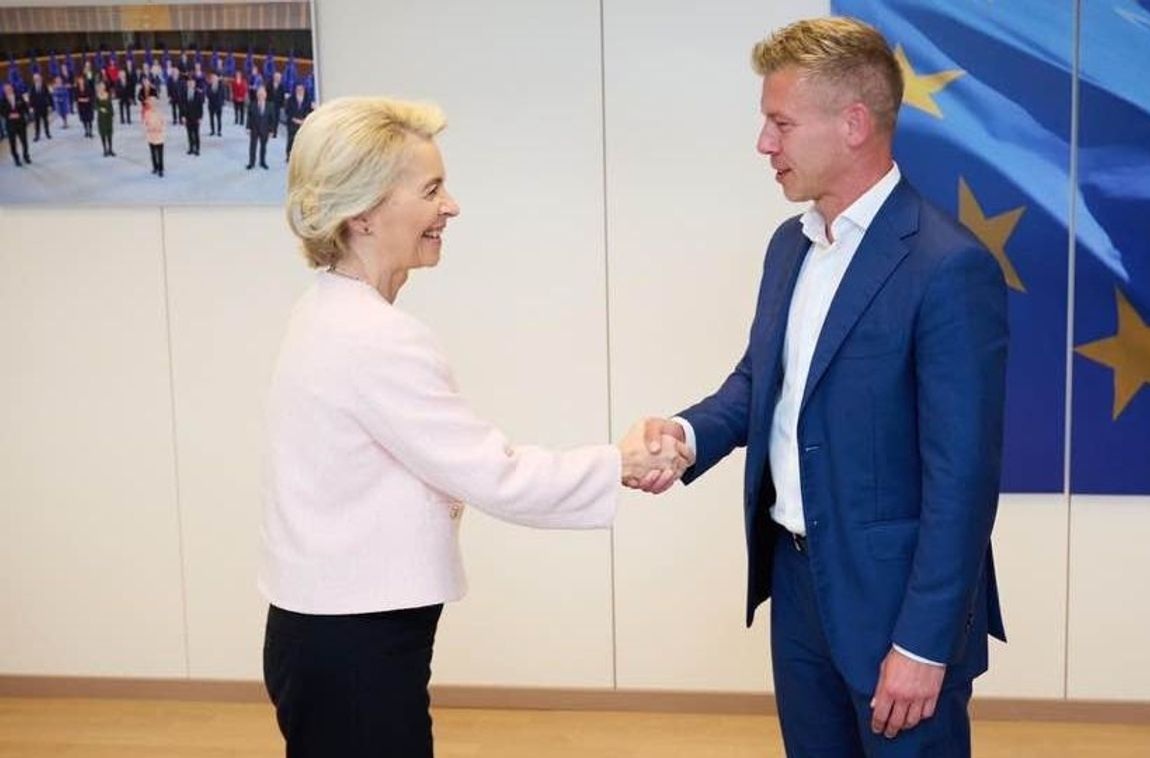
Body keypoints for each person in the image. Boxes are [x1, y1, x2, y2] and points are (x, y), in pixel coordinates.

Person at [262, 95, 687, 757]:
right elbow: (493, 473)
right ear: (363, 212)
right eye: (431, 190)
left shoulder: (326, 311)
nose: (451, 207)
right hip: (354, 644)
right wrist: (622, 462)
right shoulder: (373, 337)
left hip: (329, 631)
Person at [635, 18, 1008, 757]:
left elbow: (962, 479)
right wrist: (686, 434)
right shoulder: (790, 247)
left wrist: (924, 643)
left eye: (780, 123)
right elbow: (761, 383)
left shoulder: (947, 266)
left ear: (854, 124)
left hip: (898, 606)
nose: (763, 144)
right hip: (798, 585)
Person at [245, 84, 275, 169]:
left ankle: (262, 162)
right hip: (254, 129)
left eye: (262, 94)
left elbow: (272, 119)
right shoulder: (252, 104)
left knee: (263, 147)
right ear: (257, 95)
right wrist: (248, 128)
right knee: (252, 147)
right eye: (259, 94)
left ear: (265, 95)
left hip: (265, 129)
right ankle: (251, 163)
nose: (261, 95)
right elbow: (249, 117)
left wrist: (271, 131)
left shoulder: (270, 105)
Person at [0, 82, 30, 166]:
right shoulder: (2, 100)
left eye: (9, 88)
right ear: (4, 90)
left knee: (24, 141)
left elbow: (25, 107)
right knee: (12, 143)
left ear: (12, 88)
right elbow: (1, 111)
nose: (8, 90)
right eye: (6, 89)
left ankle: (26, 155)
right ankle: (16, 158)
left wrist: (21, 114)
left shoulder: (19, 97)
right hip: (10, 125)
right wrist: (9, 115)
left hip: (21, 123)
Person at [283, 82, 311, 162]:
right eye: (298, 90)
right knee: (291, 140)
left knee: (302, 141)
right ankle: (289, 156)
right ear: (295, 90)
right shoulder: (290, 100)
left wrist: (304, 120)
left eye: (301, 89)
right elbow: (287, 111)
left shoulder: (307, 100)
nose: (300, 91)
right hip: (292, 123)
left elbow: (309, 111)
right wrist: (295, 119)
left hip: (303, 124)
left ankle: (301, 157)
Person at [143, 92, 164, 176]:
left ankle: (161, 169)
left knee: (160, 153)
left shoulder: (159, 112)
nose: (152, 104)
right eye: (150, 103)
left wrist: (159, 128)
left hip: (159, 135)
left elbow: (163, 122)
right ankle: (155, 167)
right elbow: (145, 123)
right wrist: (149, 128)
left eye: (153, 103)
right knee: (153, 153)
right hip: (151, 135)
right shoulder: (147, 113)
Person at [181, 77, 204, 155]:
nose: (190, 85)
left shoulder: (198, 94)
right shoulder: (184, 93)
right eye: (189, 83)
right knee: (189, 133)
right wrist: (182, 116)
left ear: (194, 84)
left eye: (192, 83)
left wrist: (200, 117)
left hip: (196, 117)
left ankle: (197, 149)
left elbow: (200, 107)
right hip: (187, 117)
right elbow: (182, 106)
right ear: (187, 84)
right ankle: (191, 148)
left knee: (196, 134)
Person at [28, 73, 52, 142]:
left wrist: (49, 105)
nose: (37, 80)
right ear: (33, 80)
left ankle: (47, 133)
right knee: (37, 122)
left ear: (40, 78)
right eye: (35, 79)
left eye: (38, 78)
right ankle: (37, 135)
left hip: (44, 107)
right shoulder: (32, 87)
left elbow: (48, 95)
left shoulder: (44, 85)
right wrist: (31, 107)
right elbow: (31, 98)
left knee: (45, 121)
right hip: (36, 108)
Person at [95, 81, 115, 157]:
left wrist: (112, 114)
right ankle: (105, 150)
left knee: (109, 133)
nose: (102, 87)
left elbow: (110, 104)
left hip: (108, 116)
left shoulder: (108, 94)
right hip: (101, 117)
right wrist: (100, 109)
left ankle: (110, 149)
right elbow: (95, 105)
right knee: (103, 133)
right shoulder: (97, 96)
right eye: (100, 86)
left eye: (103, 86)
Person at [204, 71, 225, 136]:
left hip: (218, 104)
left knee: (219, 119)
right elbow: (207, 94)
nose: (214, 79)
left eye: (215, 78)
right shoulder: (209, 85)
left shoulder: (221, 85)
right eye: (212, 78)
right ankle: (212, 130)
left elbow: (223, 95)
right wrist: (211, 92)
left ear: (217, 79)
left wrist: (222, 103)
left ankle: (219, 131)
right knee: (211, 119)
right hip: (211, 104)